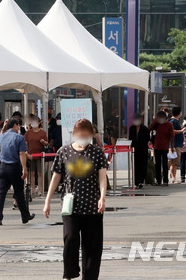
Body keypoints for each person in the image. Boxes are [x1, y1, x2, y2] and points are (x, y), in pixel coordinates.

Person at [44, 119, 108, 280]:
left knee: (92, 246)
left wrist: (102, 198)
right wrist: (47, 201)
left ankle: (90, 276)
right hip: (70, 206)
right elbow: (56, 177)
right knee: (70, 239)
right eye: (81, 135)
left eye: (87, 135)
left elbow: (102, 178)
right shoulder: (64, 152)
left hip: (93, 206)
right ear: (74, 134)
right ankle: (70, 273)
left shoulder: (97, 152)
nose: (84, 138)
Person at [0, 118, 35, 225]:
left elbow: (0, 136)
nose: (19, 128)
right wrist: (24, 168)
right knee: (19, 193)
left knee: (1, 194)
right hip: (14, 167)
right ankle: (25, 216)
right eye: (18, 126)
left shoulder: (1, 136)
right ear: (15, 125)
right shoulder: (19, 138)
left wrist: (4, 127)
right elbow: (22, 154)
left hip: (3, 168)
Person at [24, 114, 48, 196]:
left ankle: (40, 190)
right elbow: (25, 142)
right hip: (30, 154)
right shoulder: (28, 133)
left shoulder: (43, 132)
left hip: (40, 155)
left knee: (40, 172)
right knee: (32, 173)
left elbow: (46, 143)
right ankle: (33, 189)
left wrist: (43, 142)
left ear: (39, 123)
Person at [149, 111, 174, 186]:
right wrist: (154, 121)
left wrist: (172, 147)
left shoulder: (169, 125)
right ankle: (158, 180)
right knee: (157, 164)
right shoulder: (157, 124)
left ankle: (165, 180)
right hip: (157, 146)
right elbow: (149, 128)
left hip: (165, 147)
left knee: (165, 163)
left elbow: (172, 137)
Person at [128, 113, 149, 189]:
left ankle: (141, 181)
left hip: (143, 150)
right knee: (135, 165)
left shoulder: (145, 129)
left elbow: (147, 139)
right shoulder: (132, 128)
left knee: (142, 165)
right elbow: (130, 138)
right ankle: (136, 181)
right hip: (134, 150)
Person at [169, 107, 184, 184]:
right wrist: (181, 130)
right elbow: (172, 131)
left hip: (176, 144)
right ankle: (173, 177)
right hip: (174, 145)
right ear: (179, 113)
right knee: (173, 162)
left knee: (174, 162)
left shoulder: (175, 121)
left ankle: (173, 177)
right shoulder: (173, 121)